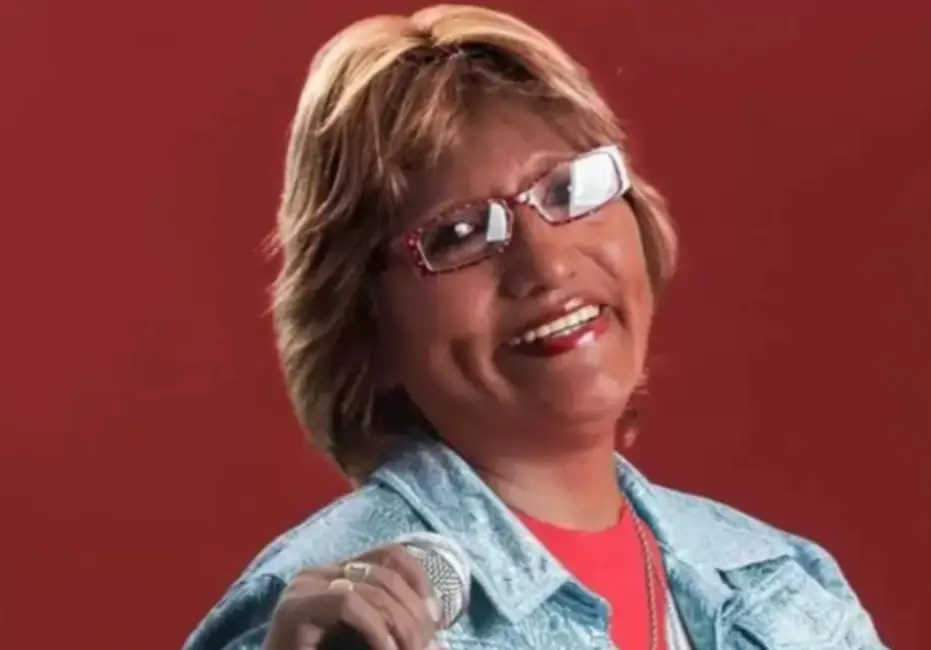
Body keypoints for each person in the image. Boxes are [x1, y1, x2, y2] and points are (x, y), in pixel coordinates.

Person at [184, 5, 888, 650]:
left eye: (568, 190)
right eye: (459, 234)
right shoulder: (325, 622)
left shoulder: (784, 585)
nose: (547, 265)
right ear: (364, 323)